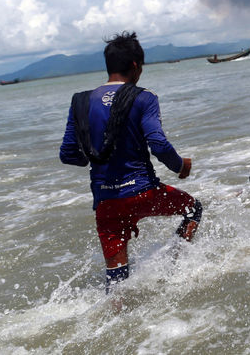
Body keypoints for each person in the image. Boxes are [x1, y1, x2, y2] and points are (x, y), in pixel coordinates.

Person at [59, 32, 202, 293]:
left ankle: (114, 316)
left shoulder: (80, 101)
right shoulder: (144, 97)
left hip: (106, 202)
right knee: (193, 209)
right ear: (136, 66)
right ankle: (175, 271)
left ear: (109, 65)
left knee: (116, 279)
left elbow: (69, 155)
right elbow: (158, 144)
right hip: (144, 192)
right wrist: (181, 166)